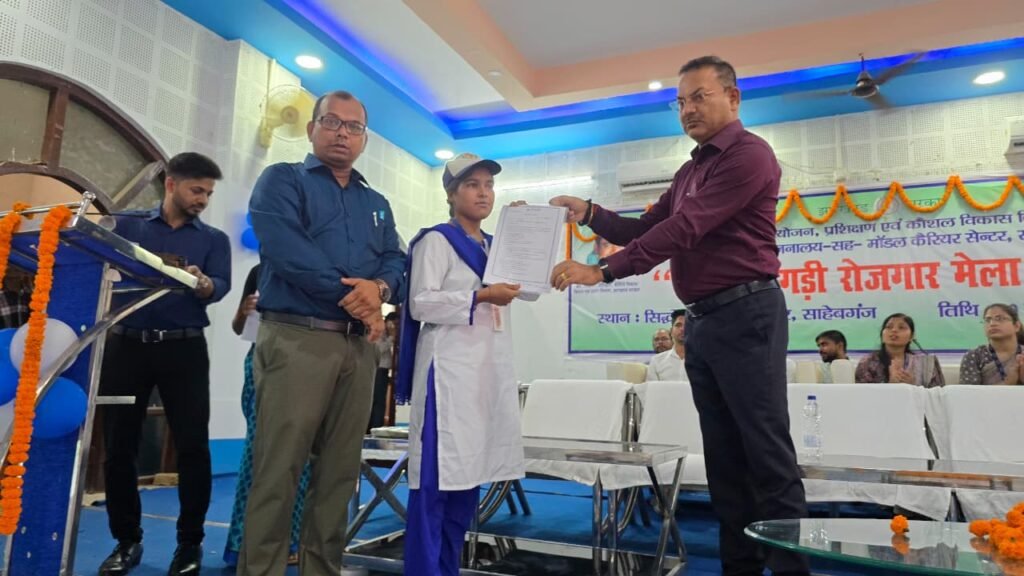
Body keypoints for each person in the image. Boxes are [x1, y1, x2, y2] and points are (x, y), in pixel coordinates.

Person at [549, 56, 809, 575]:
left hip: (747, 314)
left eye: (700, 97)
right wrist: (591, 213)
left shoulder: (749, 155)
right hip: (703, 324)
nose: (688, 109)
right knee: (724, 460)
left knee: (766, 456)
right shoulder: (691, 170)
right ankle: (739, 569)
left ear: (733, 98)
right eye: (681, 101)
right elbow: (646, 228)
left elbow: (685, 228)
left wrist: (603, 271)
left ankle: (790, 571)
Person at [238, 90, 405, 575]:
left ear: (364, 139)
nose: (342, 133)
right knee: (279, 469)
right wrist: (359, 298)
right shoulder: (282, 180)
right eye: (332, 122)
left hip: (359, 348)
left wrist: (379, 289)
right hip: (297, 339)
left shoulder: (376, 203)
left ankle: (321, 568)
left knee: (339, 474)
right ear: (312, 129)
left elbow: (395, 260)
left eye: (354, 127)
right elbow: (288, 250)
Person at [98, 152, 230, 576]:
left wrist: (204, 283)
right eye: (196, 190)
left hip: (184, 349)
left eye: (208, 193)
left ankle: (189, 545)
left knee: (193, 447)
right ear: (171, 184)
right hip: (125, 347)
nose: (203, 200)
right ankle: (126, 541)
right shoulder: (128, 226)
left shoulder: (213, 240)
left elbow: (220, 285)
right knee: (119, 446)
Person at [398, 153, 525, 576]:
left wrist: (522, 234)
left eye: (489, 185)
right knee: (434, 486)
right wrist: (480, 296)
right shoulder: (436, 241)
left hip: (484, 374)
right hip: (447, 377)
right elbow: (420, 302)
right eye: (472, 185)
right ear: (451, 194)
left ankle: (447, 568)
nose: (483, 193)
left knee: (467, 481)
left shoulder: (494, 246)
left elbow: (528, 288)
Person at [224, 264, 311, 566]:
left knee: (302, 457)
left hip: (309, 363)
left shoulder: (319, 269)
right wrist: (244, 312)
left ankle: (292, 539)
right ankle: (244, 541)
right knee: (258, 454)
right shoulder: (260, 271)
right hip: (262, 361)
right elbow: (238, 327)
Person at [854, 313, 944, 387]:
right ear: (882, 335)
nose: (894, 330)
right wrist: (891, 385)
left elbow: (938, 396)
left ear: (911, 336)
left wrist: (913, 387)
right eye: (889, 327)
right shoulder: (867, 362)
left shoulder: (926, 364)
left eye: (901, 327)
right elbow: (863, 396)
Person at [959, 303, 1024, 385]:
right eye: (987, 320)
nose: (992, 323)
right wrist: (1008, 382)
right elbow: (967, 391)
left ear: (1016, 326)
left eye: (999, 319)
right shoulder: (975, 356)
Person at [368, 311, 399, 431]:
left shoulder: (387, 334)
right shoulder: (380, 333)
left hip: (384, 370)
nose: (395, 327)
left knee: (380, 400)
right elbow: (379, 349)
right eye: (394, 323)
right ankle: (374, 426)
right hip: (378, 369)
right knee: (377, 399)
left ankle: (377, 425)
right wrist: (391, 338)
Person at [646, 310, 687, 381]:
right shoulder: (656, 361)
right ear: (671, 331)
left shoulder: (703, 359)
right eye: (678, 325)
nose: (682, 329)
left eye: (687, 325)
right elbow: (651, 387)